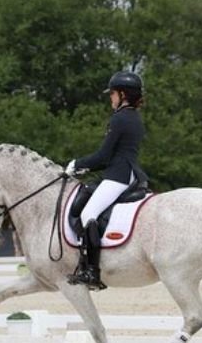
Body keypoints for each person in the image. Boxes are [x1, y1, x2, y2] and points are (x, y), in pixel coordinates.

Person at [63, 71, 148, 290]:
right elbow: (114, 156)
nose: (110, 98)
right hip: (128, 173)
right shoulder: (135, 118)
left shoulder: (119, 118)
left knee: (88, 214)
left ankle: (91, 271)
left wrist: (76, 164)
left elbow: (104, 156)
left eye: (112, 94)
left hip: (118, 176)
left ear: (122, 94)